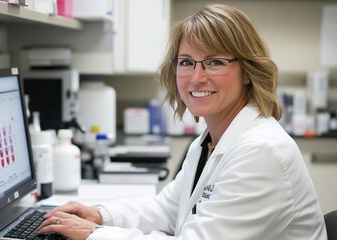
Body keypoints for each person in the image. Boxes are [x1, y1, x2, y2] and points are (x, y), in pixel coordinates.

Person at [38, 4, 327, 240]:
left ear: (248, 71)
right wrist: (100, 215)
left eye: (215, 62)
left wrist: (95, 234)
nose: (197, 77)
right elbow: (167, 209)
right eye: (186, 62)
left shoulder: (261, 152)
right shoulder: (209, 141)